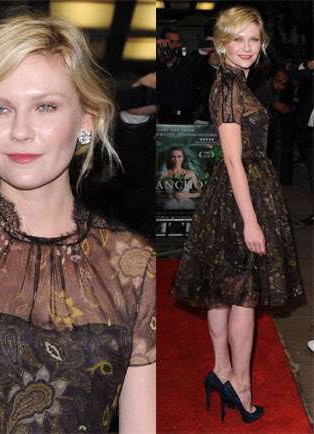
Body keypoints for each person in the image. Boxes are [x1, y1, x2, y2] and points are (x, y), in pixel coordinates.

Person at [0, 13, 156, 434]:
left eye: (45, 107)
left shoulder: (134, 263)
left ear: (86, 120)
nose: (19, 131)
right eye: (0, 108)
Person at [173, 6, 304, 424]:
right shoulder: (230, 87)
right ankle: (241, 386)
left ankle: (221, 370)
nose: (246, 47)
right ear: (222, 42)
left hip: (234, 191)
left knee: (223, 285)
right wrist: (251, 220)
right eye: (238, 39)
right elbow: (233, 160)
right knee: (244, 292)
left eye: (253, 39)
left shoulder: (233, 81)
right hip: (240, 193)